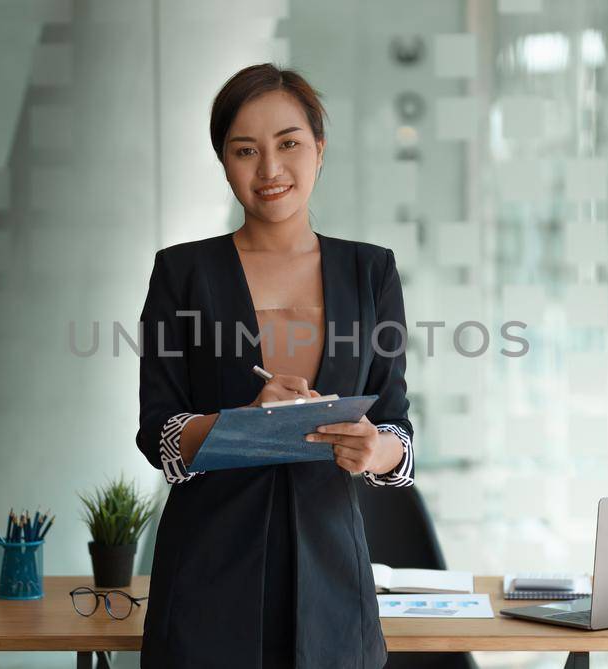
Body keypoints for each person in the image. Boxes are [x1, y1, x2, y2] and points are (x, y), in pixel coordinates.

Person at [135, 63, 414, 669]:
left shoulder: (371, 272)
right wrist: (240, 424)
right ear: (224, 160)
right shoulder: (182, 273)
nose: (270, 170)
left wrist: (375, 449)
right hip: (208, 575)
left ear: (319, 148)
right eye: (245, 151)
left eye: (288, 143)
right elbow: (157, 432)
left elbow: (398, 430)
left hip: (333, 577)